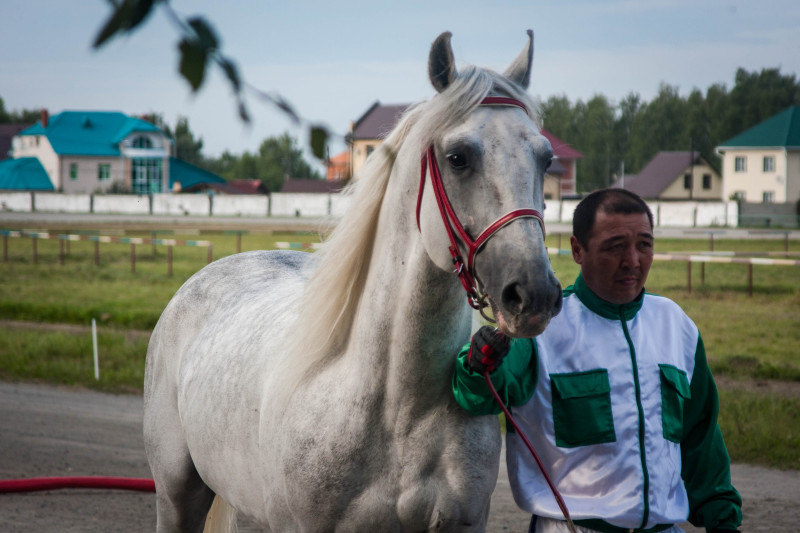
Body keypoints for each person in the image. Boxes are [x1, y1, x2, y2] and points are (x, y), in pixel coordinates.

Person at [452, 189, 742, 533]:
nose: (632, 261)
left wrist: (723, 520)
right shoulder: (539, 328)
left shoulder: (676, 325)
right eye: (615, 246)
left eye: (644, 245)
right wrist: (476, 362)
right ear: (577, 250)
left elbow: (701, 439)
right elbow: (477, 393)